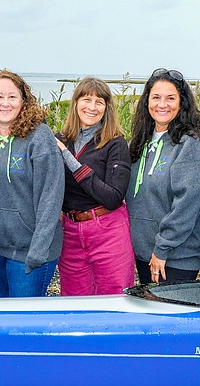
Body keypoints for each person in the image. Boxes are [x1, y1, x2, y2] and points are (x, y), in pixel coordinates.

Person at [0, 70, 64, 297]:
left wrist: (38, 251)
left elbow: (51, 197)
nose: (5, 103)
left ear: (23, 100)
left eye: (12, 97)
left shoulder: (39, 137)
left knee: (24, 325)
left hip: (29, 252)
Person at [126, 68, 200, 284]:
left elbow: (186, 205)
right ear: (147, 102)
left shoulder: (189, 145)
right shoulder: (140, 143)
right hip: (145, 253)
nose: (162, 104)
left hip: (174, 258)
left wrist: (162, 248)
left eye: (170, 98)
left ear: (181, 103)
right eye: (156, 97)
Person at [55, 77, 134, 295]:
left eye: (99, 102)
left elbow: (113, 197)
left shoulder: (115, 143)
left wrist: (68, 158)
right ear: (76, 103)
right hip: (71, 231)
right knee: (74, 300)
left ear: (106, 108)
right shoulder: (61, 138)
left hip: (107, 229)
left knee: (114, 297)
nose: (92, 107)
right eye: (86, 99)